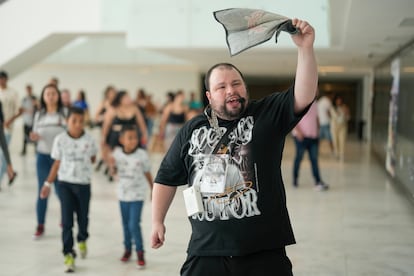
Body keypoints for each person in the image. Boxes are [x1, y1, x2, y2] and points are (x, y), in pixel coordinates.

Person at [151, 18, 317, 276]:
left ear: (245, 87)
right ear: (209, 95)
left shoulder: (266, 115)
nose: (231, 90)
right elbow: (166, 177)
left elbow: (303, 95)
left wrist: (305, 48)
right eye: (221, 86)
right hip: (207, 251)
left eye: (236, 83)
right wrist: (156, 221)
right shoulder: (193, 129)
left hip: (263, 250)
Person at [40, 107, 97, 273]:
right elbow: (56, 163)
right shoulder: (60, 139)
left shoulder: (90, 140)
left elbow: (93, 158)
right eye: (74, 121)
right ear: (67, 121)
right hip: (65, 184)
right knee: (66, 222)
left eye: (81, 121)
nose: (78, 124)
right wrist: (47, 184)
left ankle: (82, 238)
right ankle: (68, 253)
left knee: (83, 218)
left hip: (84, 185)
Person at [108, 124, 153, 269]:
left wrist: (153, 189)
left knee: (134, 224)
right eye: (130, 138)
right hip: (123, 195)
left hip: (138, 195)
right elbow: (113, 173)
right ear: (122, 140)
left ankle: (140, 252)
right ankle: (127, 249)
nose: (133, 140)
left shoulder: (142, 155)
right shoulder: (117, 154)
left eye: (135, 137)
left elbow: (147, 173)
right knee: (125, 224)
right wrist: (112, 166)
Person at [30, 84, 67, 239]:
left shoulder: (64, 114)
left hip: (60, 159)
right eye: (47, 94)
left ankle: (65, 219)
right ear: (43, 97)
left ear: (58, 96)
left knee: (61, 191)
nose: (51, 96)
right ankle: (40, 224)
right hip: (43, 157)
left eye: (53, 93)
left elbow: (70, 133)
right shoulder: (39, 115)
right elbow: (34, 134)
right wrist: (33, 137)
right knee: (43, 191)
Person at [292, 101, 328, 191]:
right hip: (301, 137)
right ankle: (295, 179)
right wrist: (298, 132)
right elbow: (293, 118)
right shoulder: (300, 102)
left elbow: (316, 119)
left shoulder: (315, 104)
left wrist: (318, 132)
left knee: (314, 159)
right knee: (299, 158)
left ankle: (318, 181)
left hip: (313, 137)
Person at [0, 70, 20, 185]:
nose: (1, 81)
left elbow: (19, 110)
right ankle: (10, 173)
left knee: (3, 154)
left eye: (3, 78)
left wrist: (8, 121)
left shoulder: (13, 93)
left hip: (7, 129)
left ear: (6, 79)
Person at [330, 95, 350, 161]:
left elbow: (348, 118)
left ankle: (342, 155)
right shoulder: (332, 108)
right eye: (338, 100)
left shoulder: (345, 107)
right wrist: (341, 111)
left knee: (342, 140)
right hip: (334, 127)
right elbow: (335, 116)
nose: (339, 101)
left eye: (340, 100)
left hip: (343, 126)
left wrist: (346, 112)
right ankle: (337, 153)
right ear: (335, 101)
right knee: (335, 141)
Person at [20, 84, 38, 156]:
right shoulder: (24, 99)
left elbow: (38, 106)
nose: (28, 91)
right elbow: (21, 108)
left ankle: (36, 150)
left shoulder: (35, 98)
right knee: (25, 136)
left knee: (34, 135)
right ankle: (24, 151)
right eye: (27, 90)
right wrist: (28, 111)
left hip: (34, 121)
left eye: (29, 89)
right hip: (26, 120)